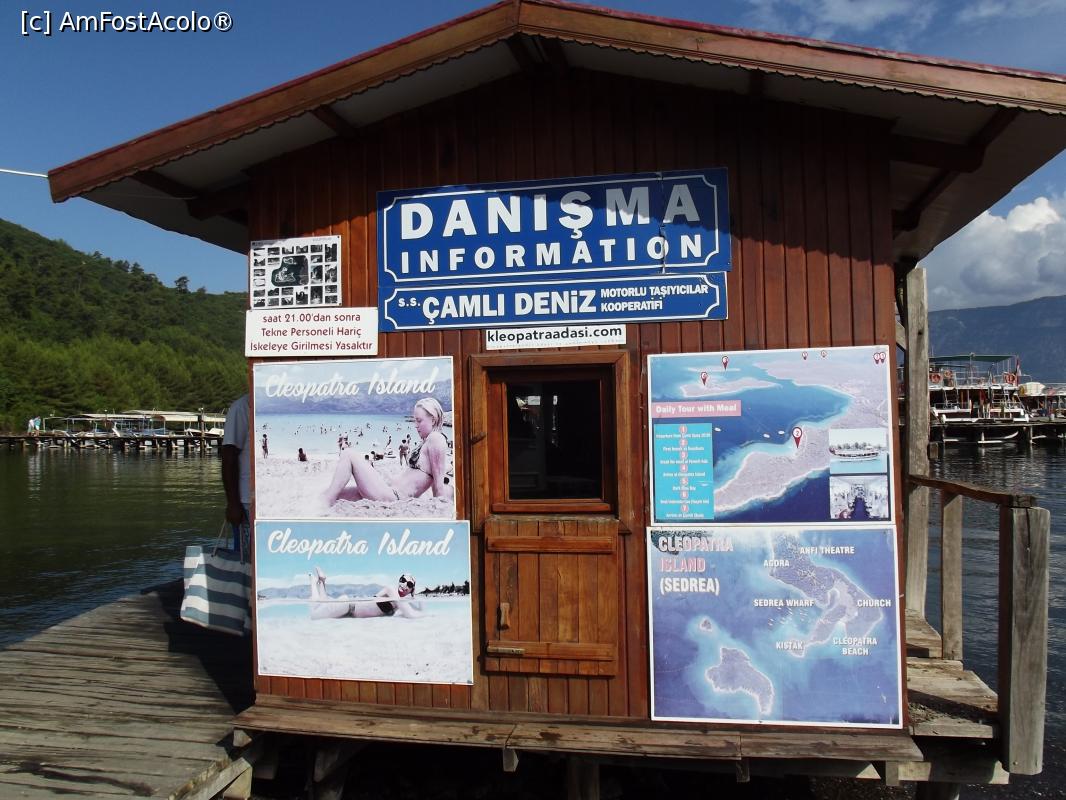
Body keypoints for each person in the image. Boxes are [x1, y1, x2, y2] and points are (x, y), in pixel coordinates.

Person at [318, 397, 453, 510]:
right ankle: (324, 502)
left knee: (348, 454)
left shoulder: (436, 439)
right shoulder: (428, 441)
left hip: (393, 497)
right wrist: (388, 477)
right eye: (414, 421)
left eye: (419, 421)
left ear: (433, 419)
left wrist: (441, 509)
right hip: (388, 491)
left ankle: (323, 505)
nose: (415, 425)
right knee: (334, 494)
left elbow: (438, 486)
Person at [309, 568, 422, 619]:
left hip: (348, 610)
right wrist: (427, 615)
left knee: (321, 604)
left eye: (409, 584)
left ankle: (321, 581)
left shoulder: (398, 604)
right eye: (402, 580)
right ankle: (313, 583)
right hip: (347, 606)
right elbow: (411, 615)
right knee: (314, 615)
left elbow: (415, 610)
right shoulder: (391, 591)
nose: (404, 585)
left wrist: (415, 596)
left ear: (412, 589)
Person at [221, 394, 251, 551]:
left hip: (275, 504)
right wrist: (233, 503)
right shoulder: (242, 407)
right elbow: (228, 456)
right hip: (248, 503)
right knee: (247, 558)